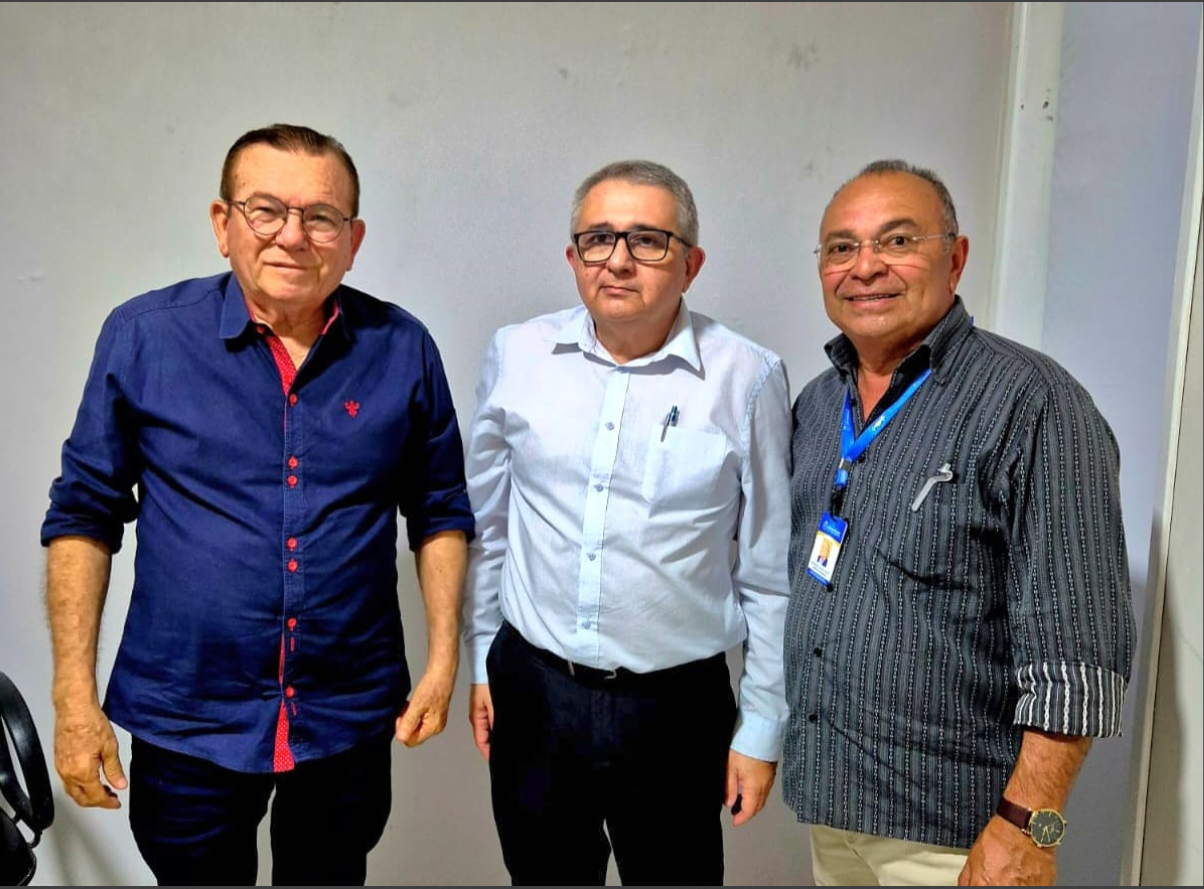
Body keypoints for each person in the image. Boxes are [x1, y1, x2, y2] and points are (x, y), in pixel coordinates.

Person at [41, 124, 474, 886]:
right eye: (266, 210)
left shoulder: (402, 348)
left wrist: (443, 660)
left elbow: (438, 510)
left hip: (344, 714)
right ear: (223, 224)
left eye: (321, 216)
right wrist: (74, 696)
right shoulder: (144, 339)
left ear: (353, 239)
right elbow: (83, 515)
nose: (292, 236)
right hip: (187, 714)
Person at [784, 159, 1135, 886]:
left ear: (956, 256)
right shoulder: (817, 405)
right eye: (842, 247)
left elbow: (1080, 651)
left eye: (898, 240)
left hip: (960, 837)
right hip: (832, 811)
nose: (866, 266)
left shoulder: (1032, 402)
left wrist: (1029, 828)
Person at [462, 160, 792, 885]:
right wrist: (483, 656)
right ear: (572, 256)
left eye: (647, 240)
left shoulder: (748, 377)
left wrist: (762, 727)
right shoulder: (517, 355)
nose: (617, 260)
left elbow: (769, 573)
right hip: (534, 691)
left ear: (691, 263)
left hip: (675, 709)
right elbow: (488, 525)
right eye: (598, 238)